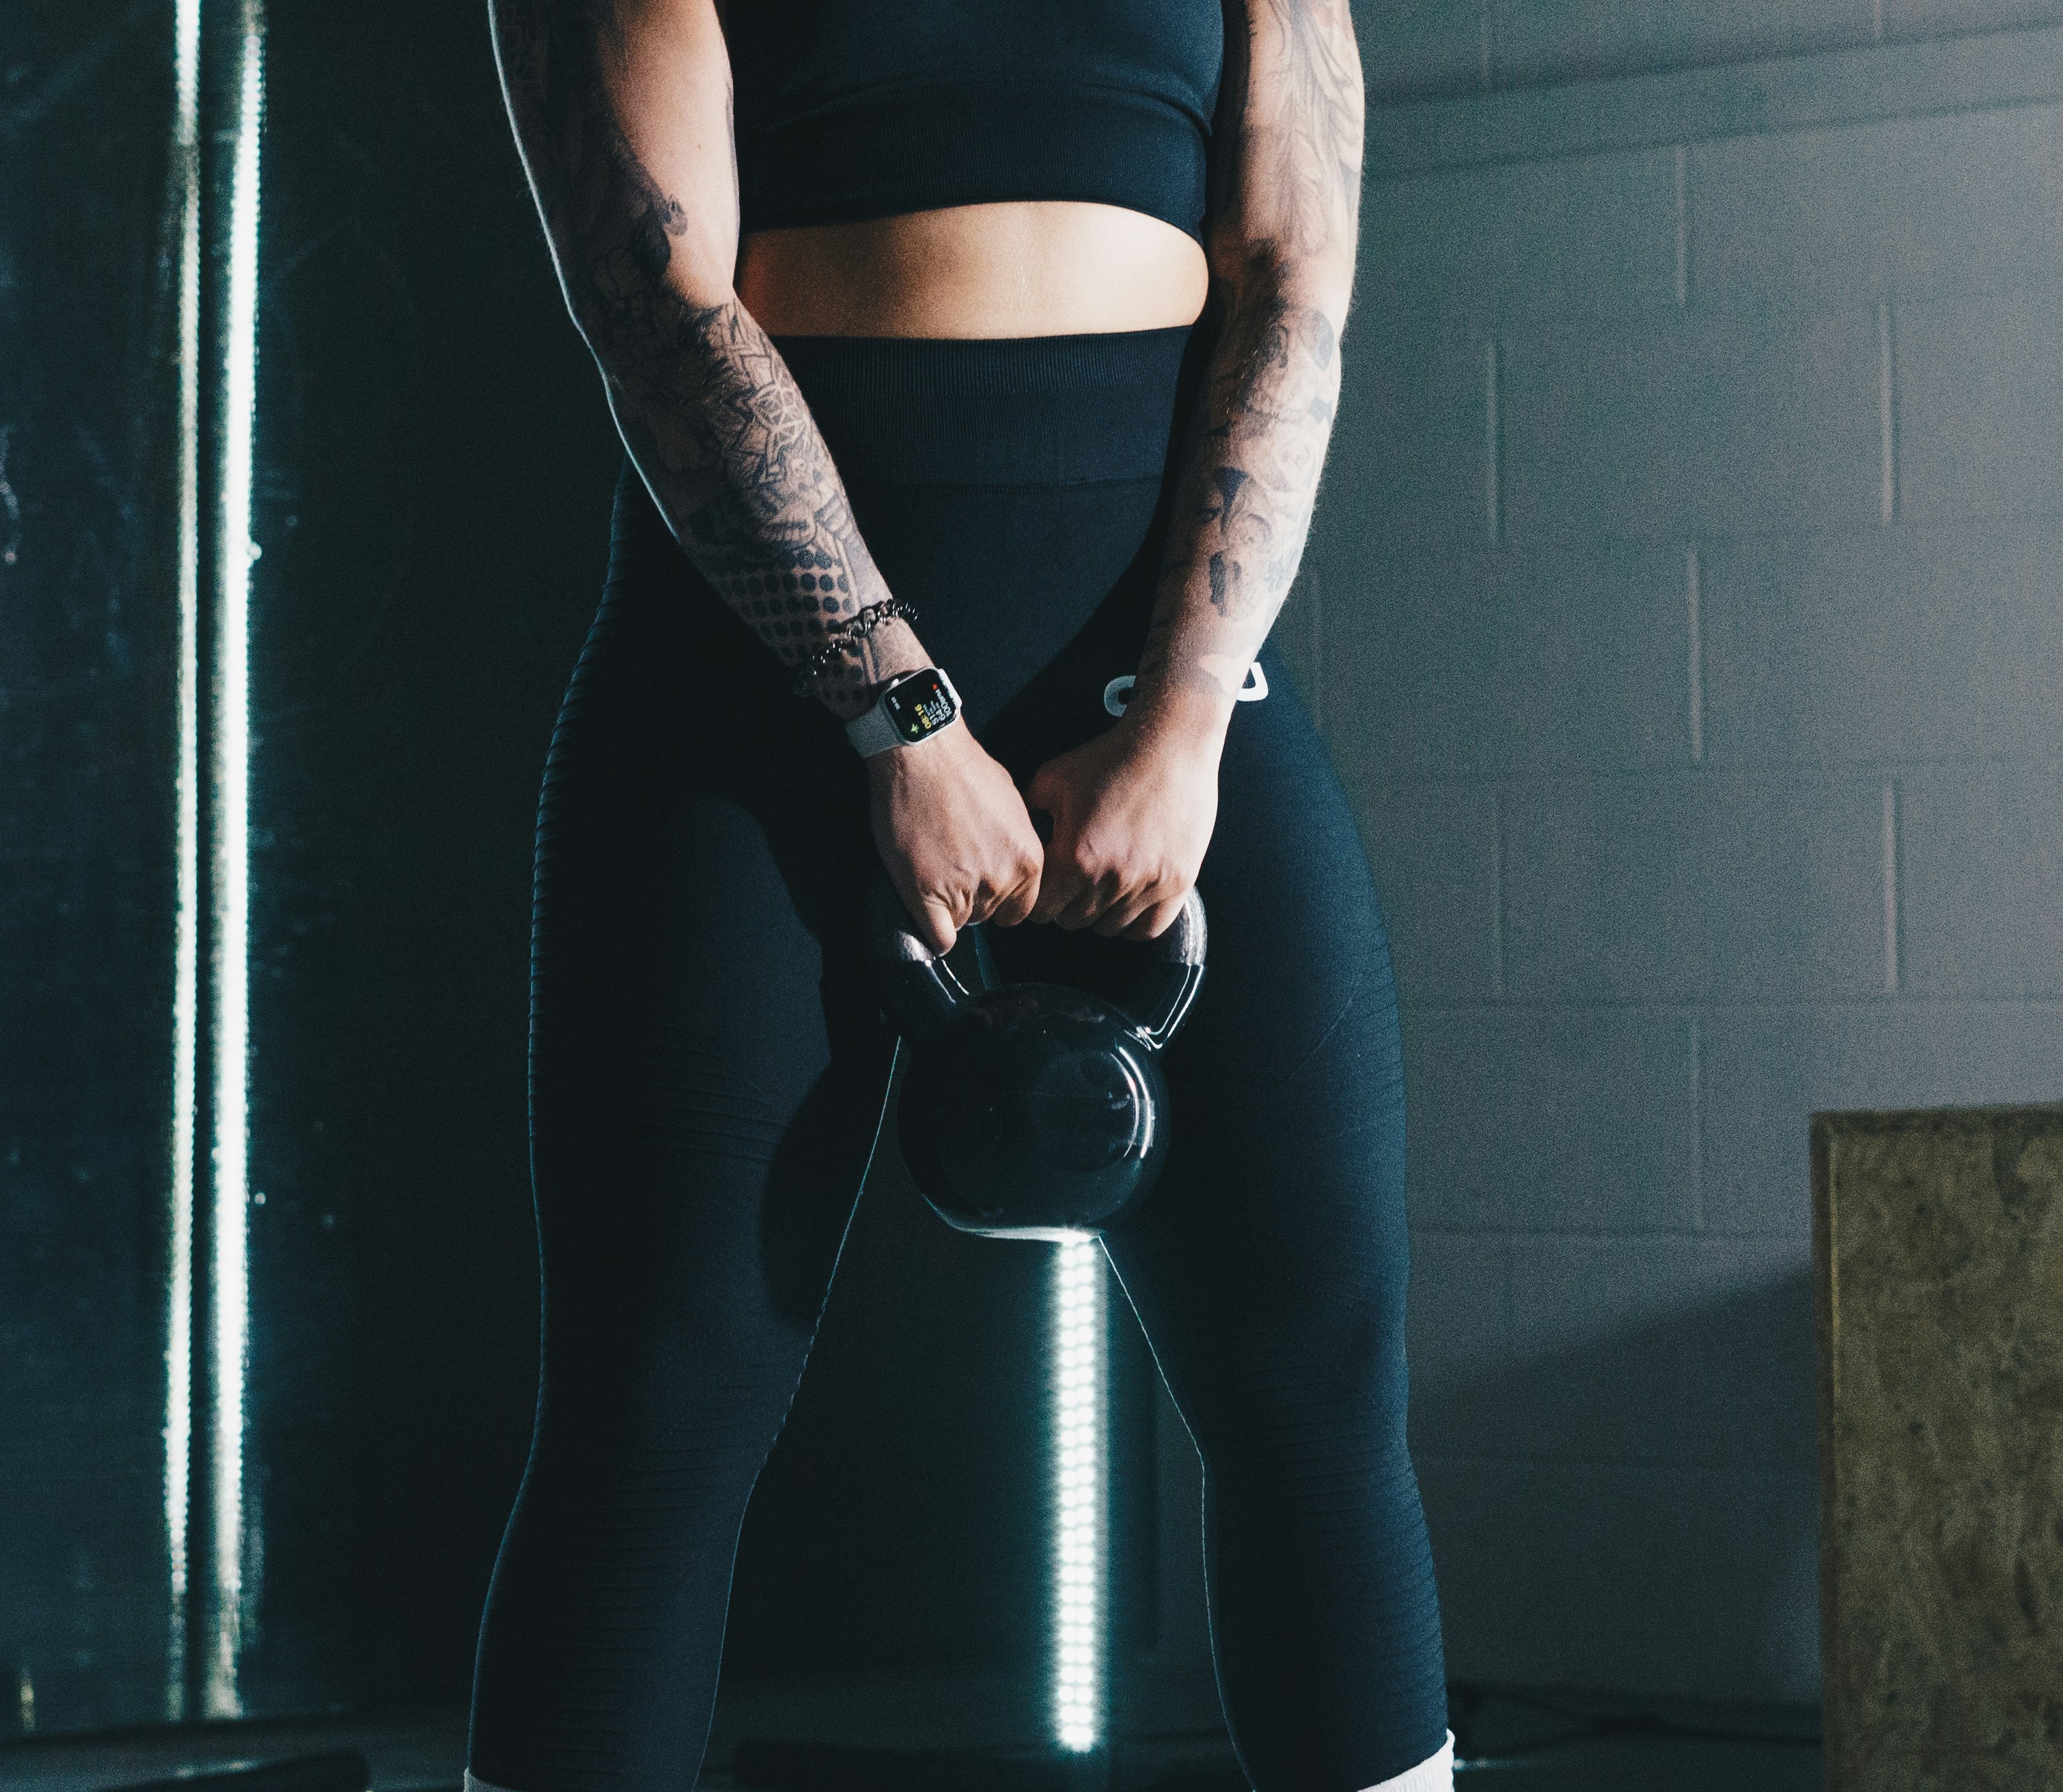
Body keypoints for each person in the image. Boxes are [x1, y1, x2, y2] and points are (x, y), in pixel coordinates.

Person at [465, 3, 1452, 1789]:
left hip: (1160, 685)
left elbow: (1296, 274)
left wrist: (1184, 716)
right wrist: (893, 715)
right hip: (752, 698)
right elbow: (654, 299)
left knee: (1319, 1373)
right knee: (660, 1407)